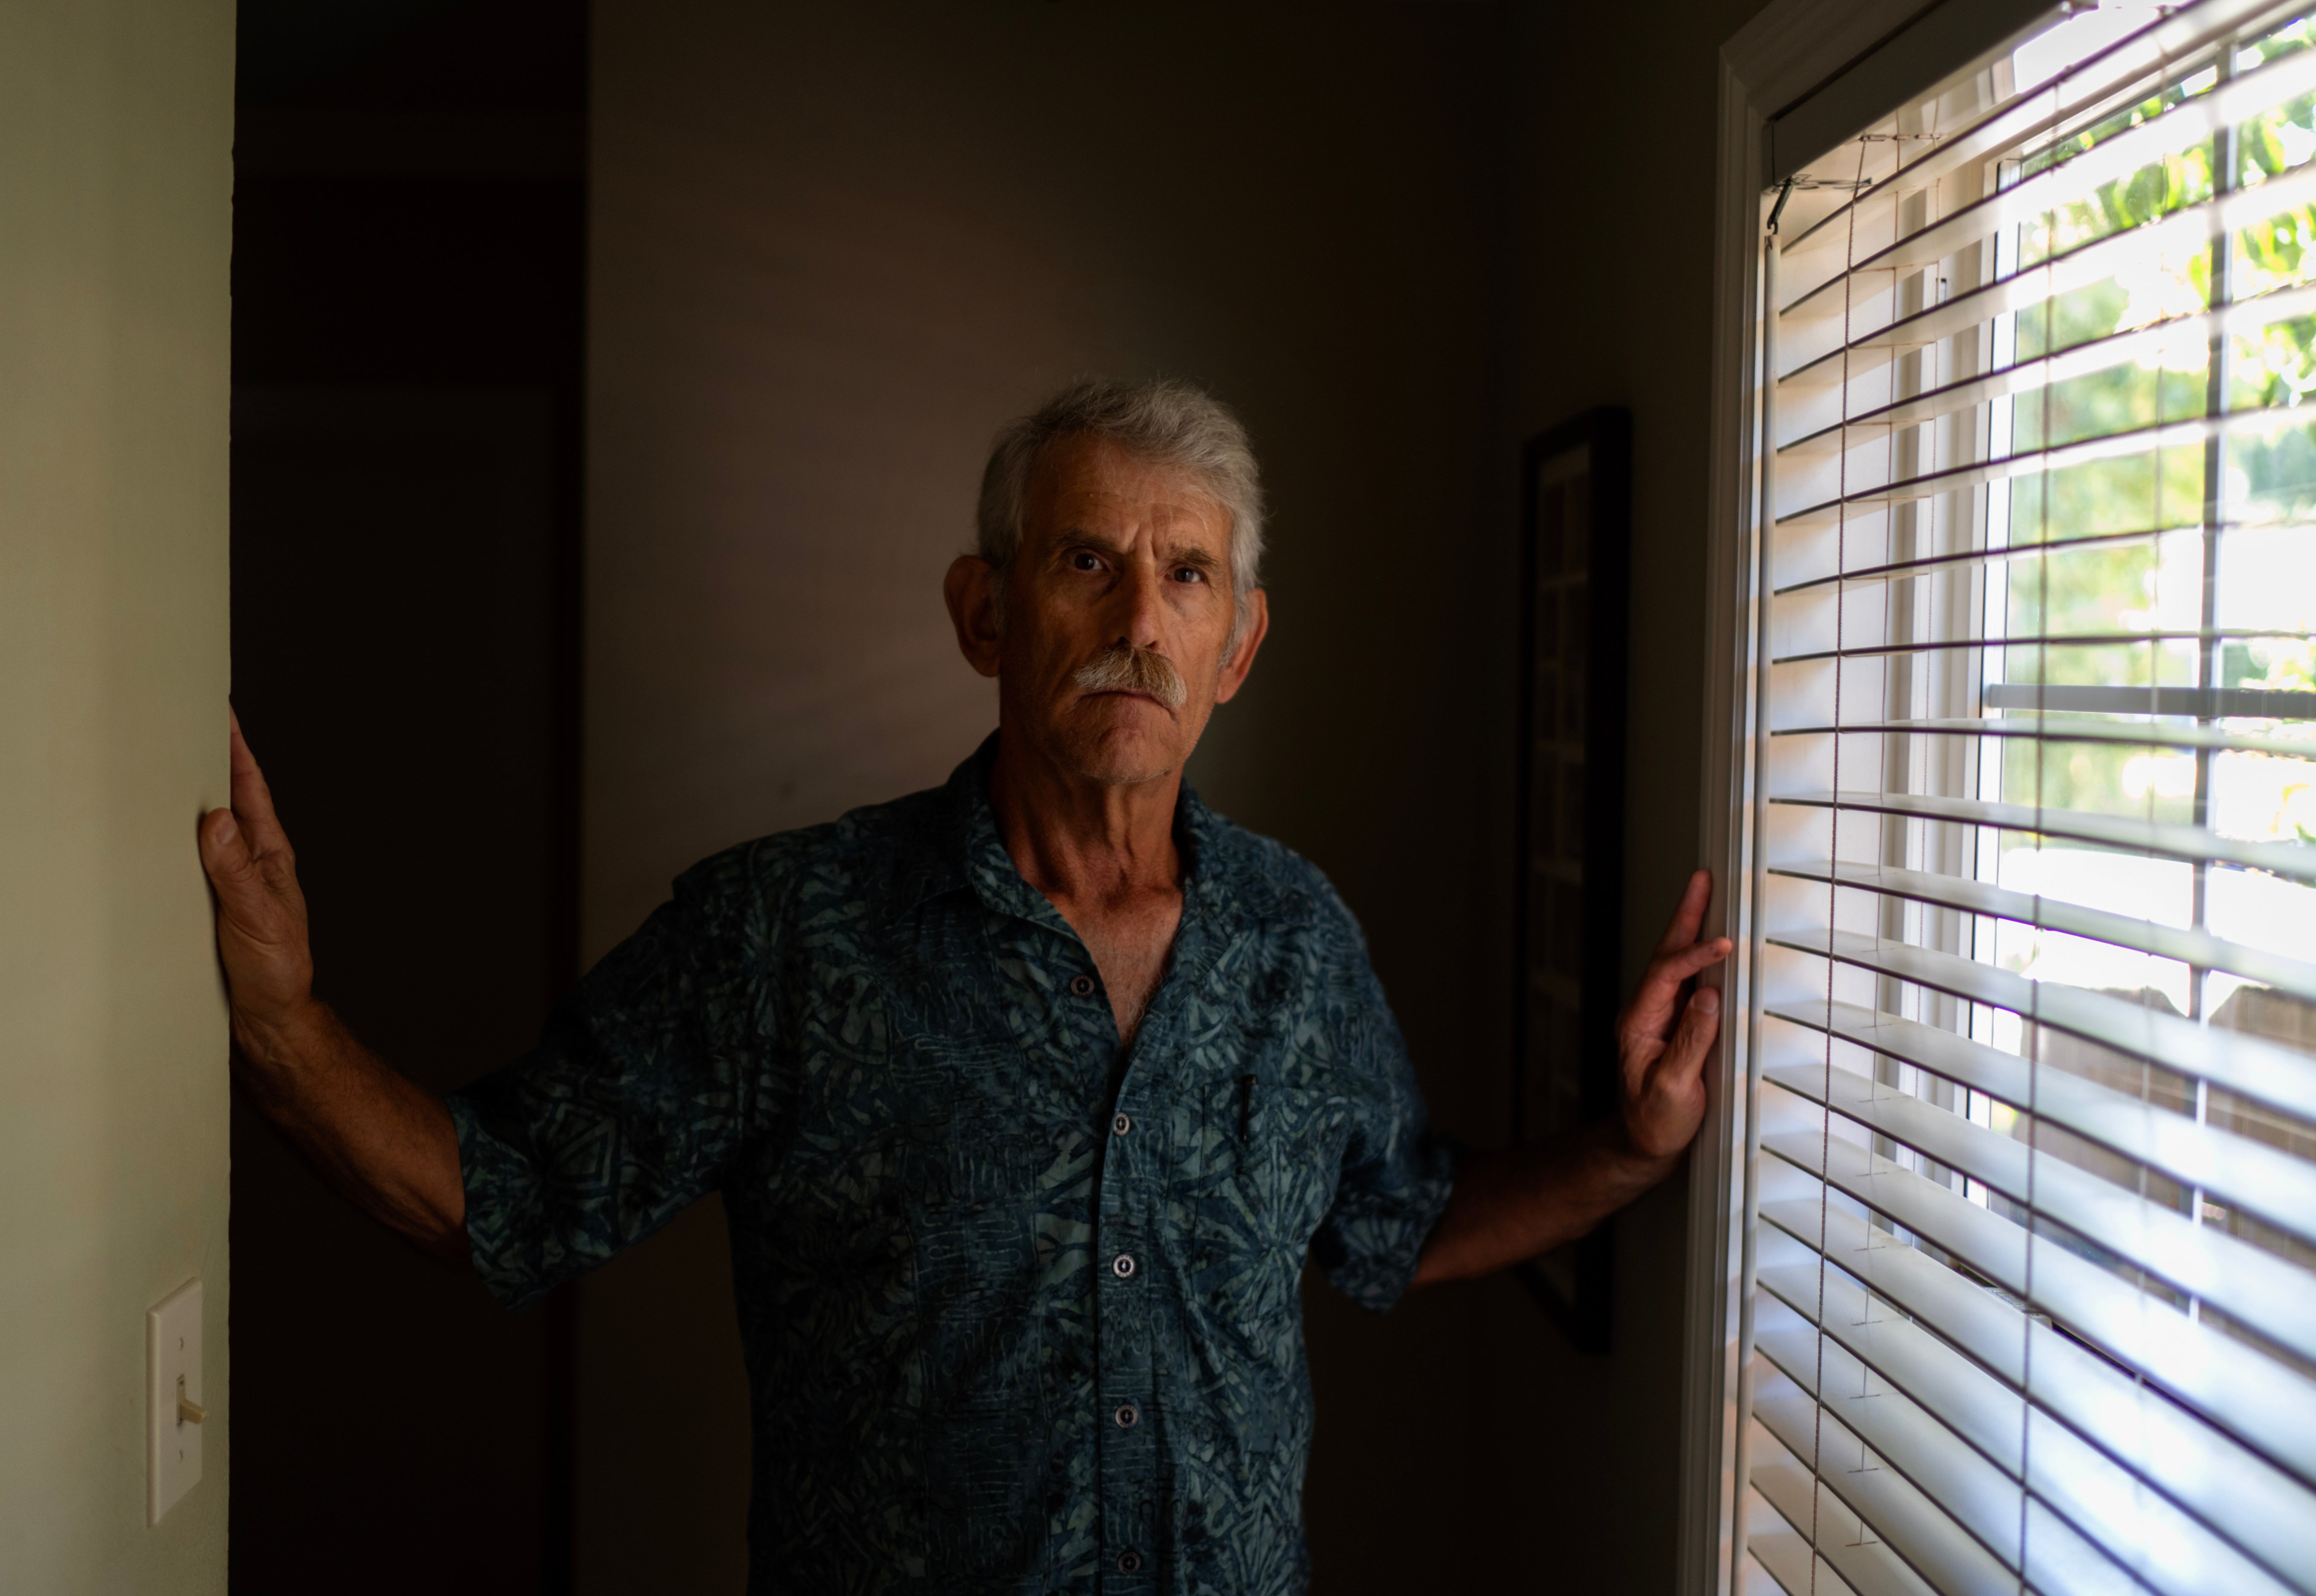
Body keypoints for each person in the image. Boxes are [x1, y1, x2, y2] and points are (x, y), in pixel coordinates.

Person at [200, 377, 1732, 1595]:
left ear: (1237, 646)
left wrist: (1629, 1146)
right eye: (1089, 562)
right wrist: (280, 1026)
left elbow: (1396, 1224)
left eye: (1186, 576)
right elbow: (502, 1195)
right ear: (984, 612)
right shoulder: (786, 934)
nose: (1140, 622)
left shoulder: (1296, 941)